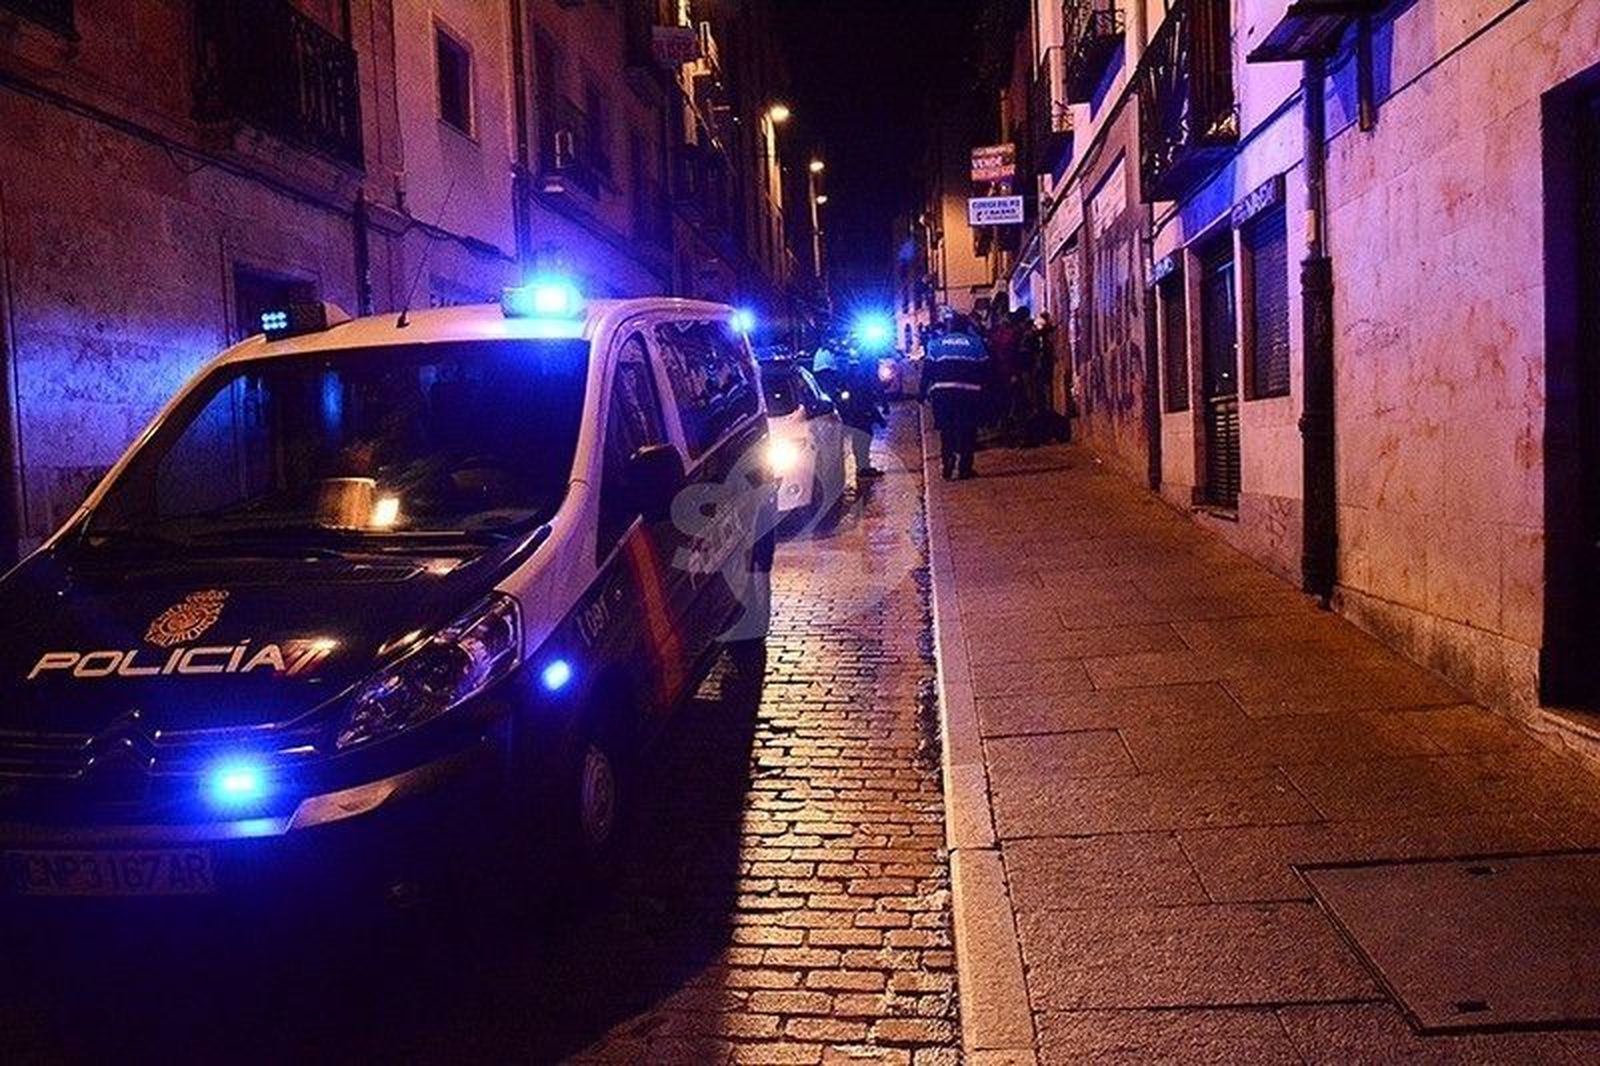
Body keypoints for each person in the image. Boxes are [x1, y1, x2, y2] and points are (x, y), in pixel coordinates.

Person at [922, 311, 990, 480]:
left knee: (947, 429)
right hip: (969, 392)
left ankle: (947, 462)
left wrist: (922, 391)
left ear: (948, 327)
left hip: (942, 392)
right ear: (966, 327)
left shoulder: (935, 344)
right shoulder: (976, 343)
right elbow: (987, 369)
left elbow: (927, 370)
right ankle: (965, 468)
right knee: (967, 429)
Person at [838, 348, 887, 478]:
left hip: (854, 413)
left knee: (859, 439)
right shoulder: (861, 375)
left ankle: (862, 466)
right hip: (862, 412)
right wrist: (878, 417)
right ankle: (863, 467)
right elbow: (866, 396)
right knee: (863, 439)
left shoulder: (847, 373)